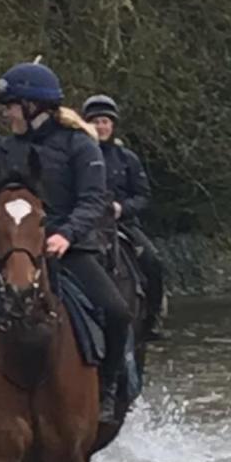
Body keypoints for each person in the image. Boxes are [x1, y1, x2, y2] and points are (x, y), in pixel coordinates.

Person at [0, 61, 130, 428]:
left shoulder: (80, 145)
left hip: (69, 248)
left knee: (117, 311)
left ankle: (107, 392)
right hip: (15, 250)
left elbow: (93, 200)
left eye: (11, 106)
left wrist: (66, 234)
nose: (6, 113)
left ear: (32, 106)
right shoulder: (5, 148)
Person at [81, 94, 166, 340]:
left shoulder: (127, 158)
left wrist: (122, 208)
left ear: (113, 124)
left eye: (105, 121)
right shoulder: (78, 156)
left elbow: (143, 196)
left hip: (123, 224)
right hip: (87, 225)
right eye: (95, 121)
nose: (100, 126)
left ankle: (152, 318)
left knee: (153, 260)